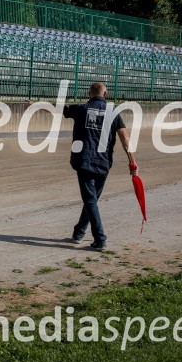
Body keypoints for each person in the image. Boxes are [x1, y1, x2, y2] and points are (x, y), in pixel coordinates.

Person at [63, 82, 138, 250]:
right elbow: (125, 137)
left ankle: (100, 238)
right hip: (103, 163)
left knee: (90, 200)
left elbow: (58, 110)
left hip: (84, 160)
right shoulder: (113, 112)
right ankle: (79, 233)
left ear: (90, 93)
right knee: (92, 200)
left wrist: (33, 106)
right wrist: (132, 161)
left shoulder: (80, 109)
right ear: (105, 94)